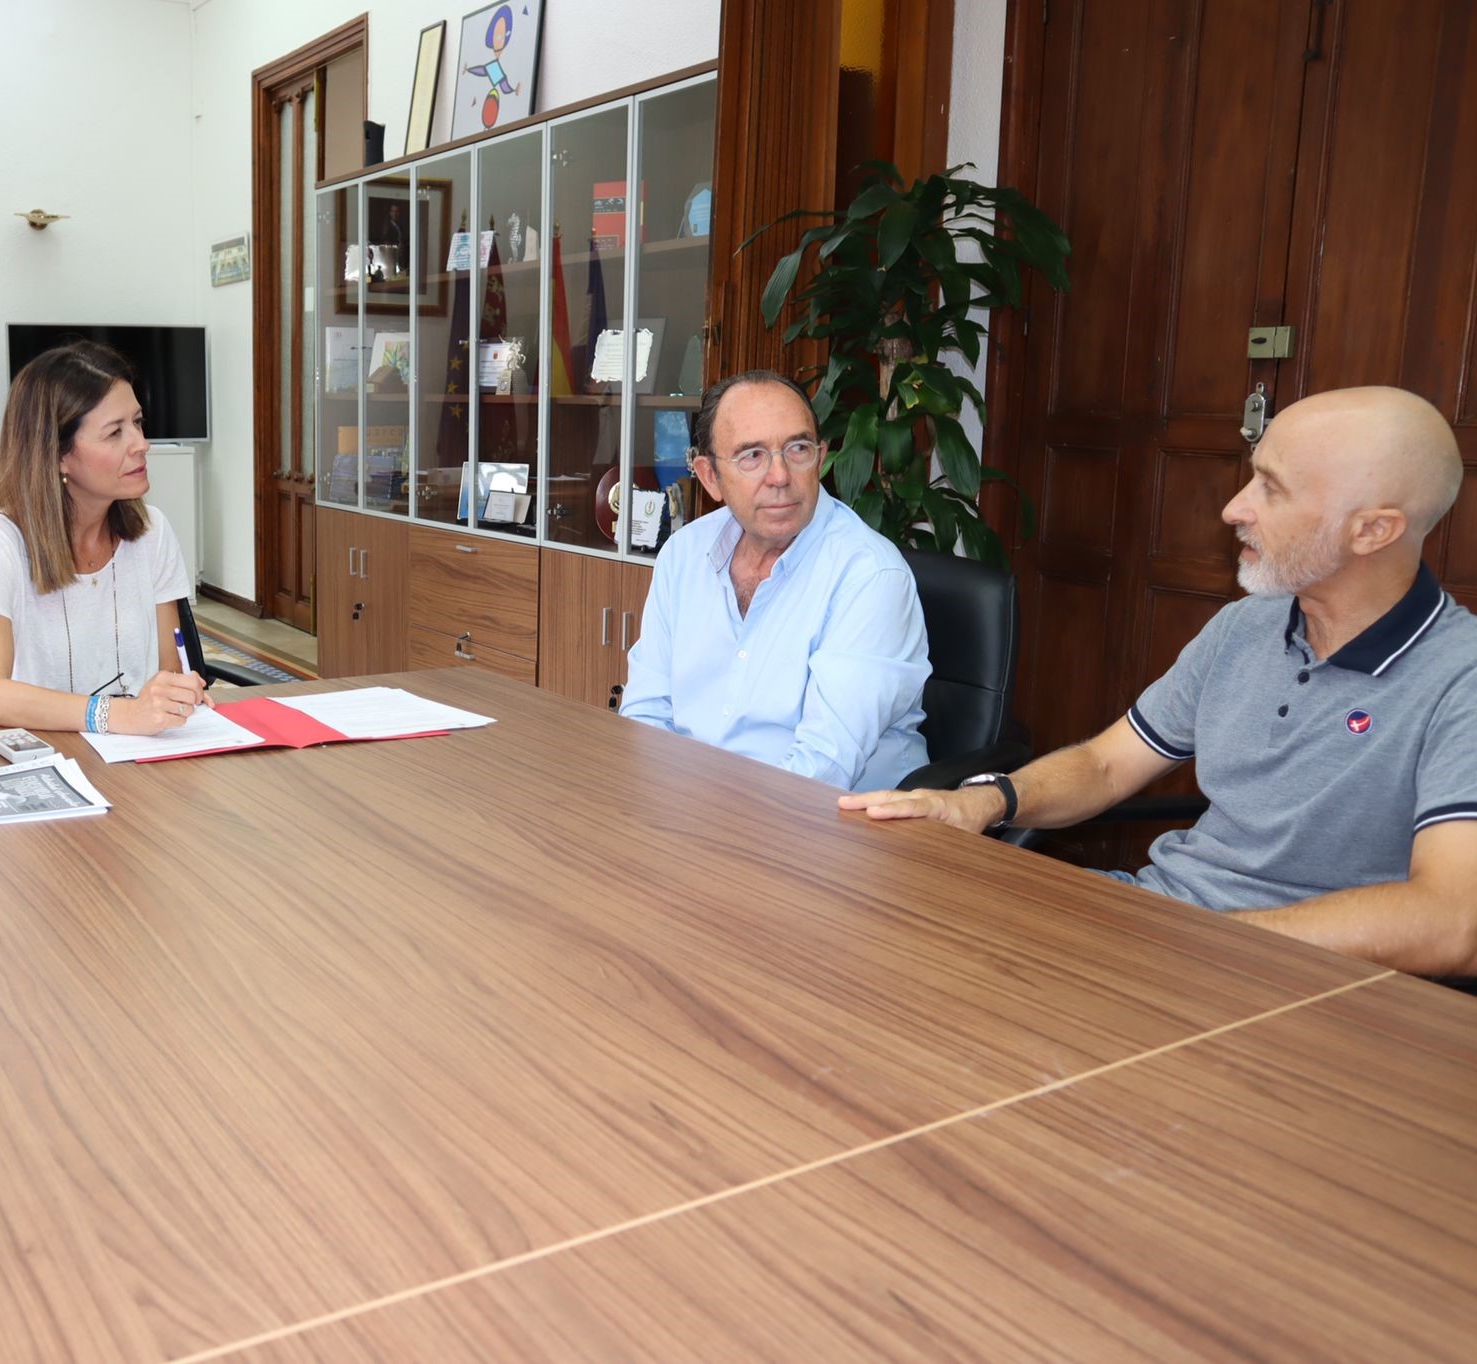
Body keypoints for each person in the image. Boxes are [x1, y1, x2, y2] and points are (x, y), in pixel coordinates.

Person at [842, 386, 1477, 978]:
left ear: (1373, 530)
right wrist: (982, 801)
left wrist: (1215, 941)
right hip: (1160, 922)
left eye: (1272, 489)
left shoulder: (1460, 677)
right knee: (894, 947)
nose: (1234, 507)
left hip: (1296, 978)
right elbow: (1106, 766)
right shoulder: (1246, 628)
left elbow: (1451, 921)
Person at [619, 369, 931, 791]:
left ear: (821, 458)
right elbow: (645, 715)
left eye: (797, 449)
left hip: (836, 831)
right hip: (695, 813)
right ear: (710, 476)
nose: (780, 476)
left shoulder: (869, 576)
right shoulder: (684, 554)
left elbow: (823, 769)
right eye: (752, 456)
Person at [0, 341, 208, 734]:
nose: (141, 444)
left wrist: (173, 694)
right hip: (47, 753)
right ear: (58, 454)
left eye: (138, 423)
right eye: (114, 433)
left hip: (139, 756)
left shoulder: (153, 532)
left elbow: (166, 668)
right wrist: (117, 715)